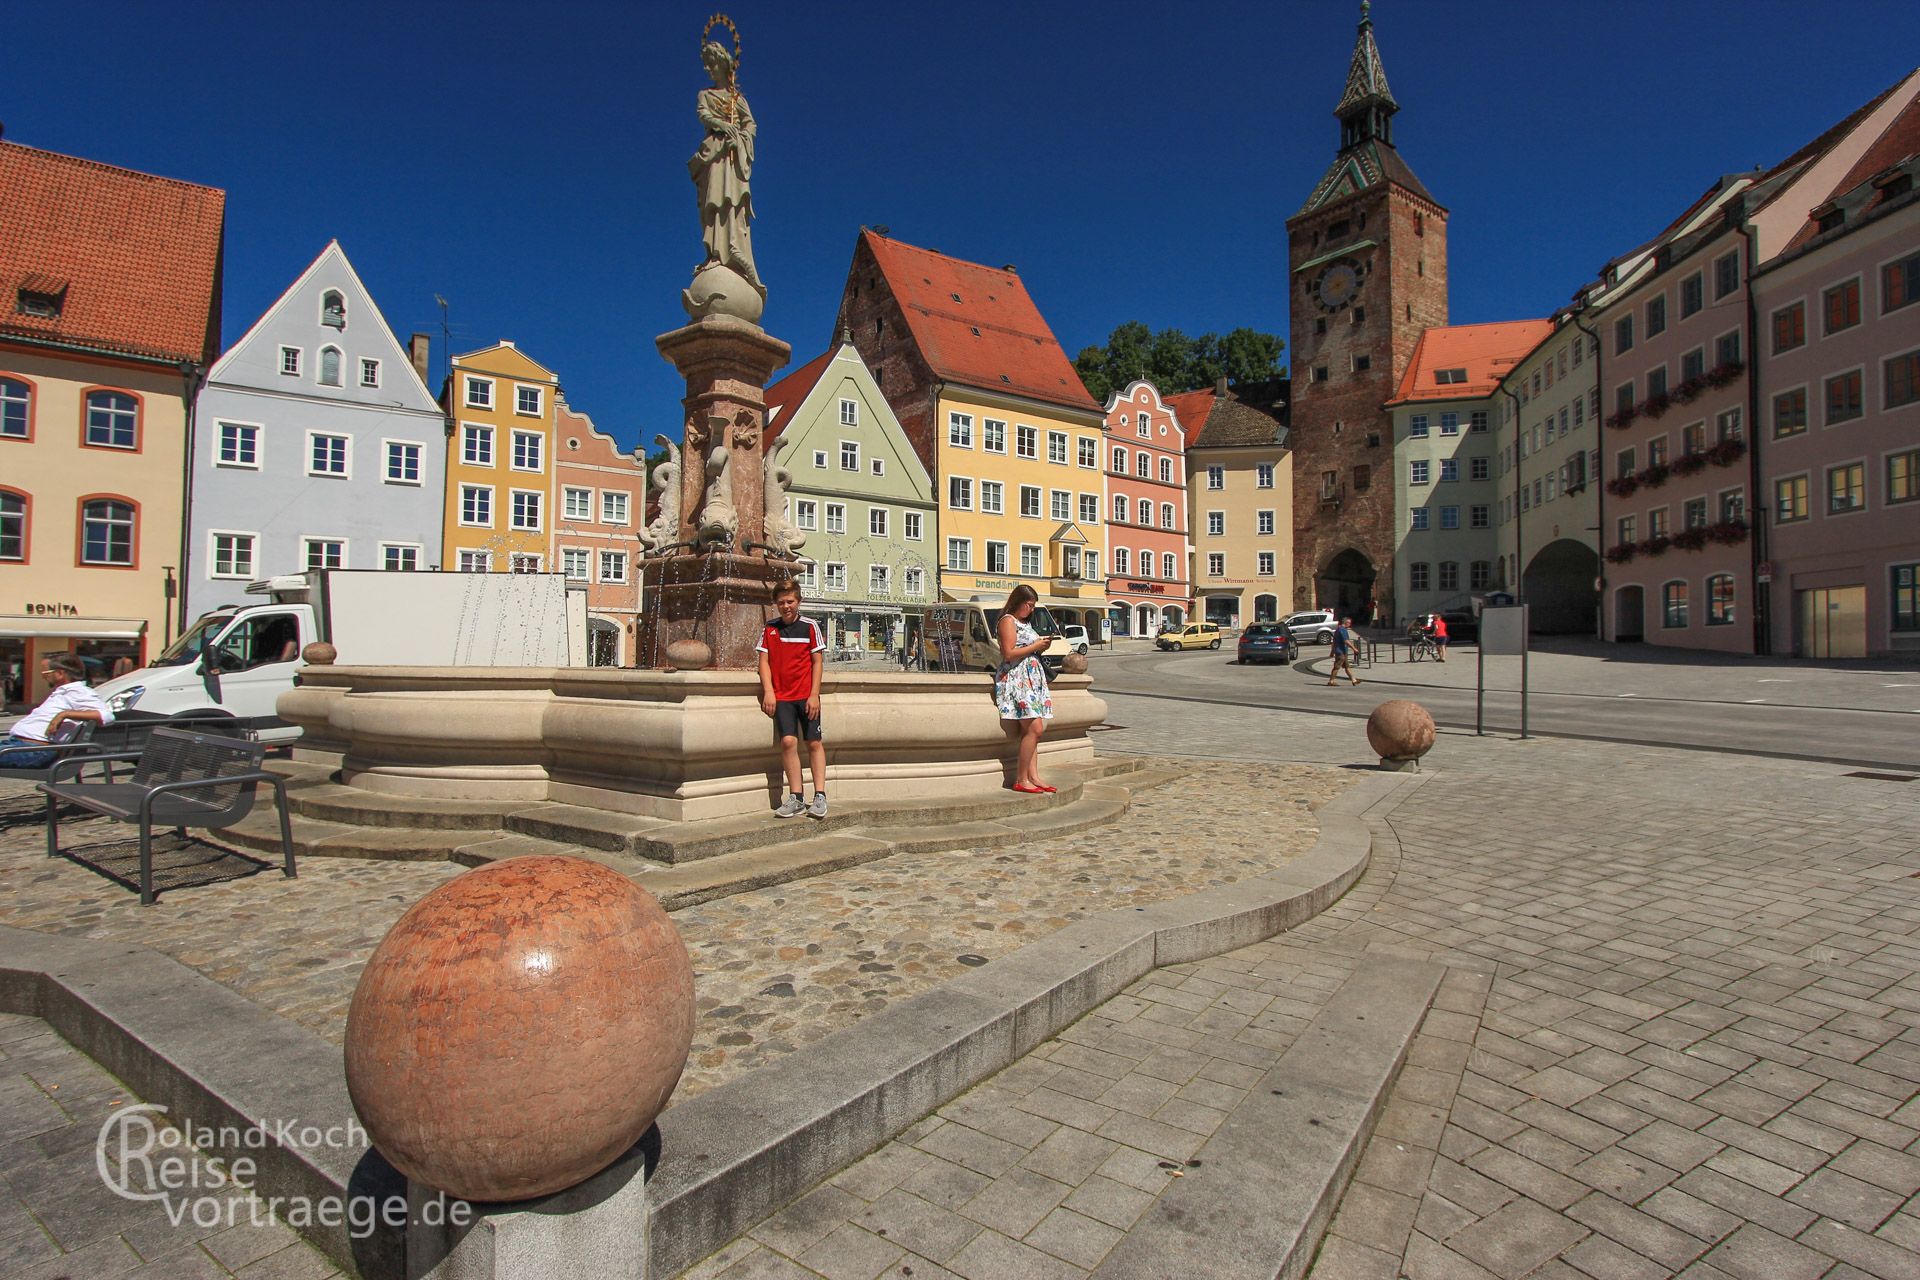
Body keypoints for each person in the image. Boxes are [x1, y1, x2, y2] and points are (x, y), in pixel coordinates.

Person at [757, 580, 828, 818]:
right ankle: (796, 797)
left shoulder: (810, 626)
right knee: (788, 742)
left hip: (806, 696)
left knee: (814, 743)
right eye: (781, 602)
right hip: (783, 697)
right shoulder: (770, 628)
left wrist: (814, 695)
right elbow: (764, 662)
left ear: (798, 602)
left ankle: (819, 796)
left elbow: (817, 662)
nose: (786, 606)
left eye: (790, 601)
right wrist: (768, 691)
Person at [1, 653, 111, 768]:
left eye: (46, 673)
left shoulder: (78, 691)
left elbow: (107, 716)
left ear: (60, 673)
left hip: (35, 751)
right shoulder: (63, 692)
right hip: (19, 746)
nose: (43, 677)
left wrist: (64, 714)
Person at [995, 585, 1056, 793]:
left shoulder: (1023, 623)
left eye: (1033, 606)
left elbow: (1025, 648)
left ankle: (1034, 776)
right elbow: (1009, 653)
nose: (1031, 610)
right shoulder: (1007, 621)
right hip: (1017, 678)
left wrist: (1041, 646)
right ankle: (1021, 779)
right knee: (1035, 728)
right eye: (1029, 605)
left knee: (1032, 730)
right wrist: (1036, 646)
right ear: (1018, 602)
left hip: (1030, 678)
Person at [1327, 617, 1362, 687]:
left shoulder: (1338, 630)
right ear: (1346, 623)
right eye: (1349, 623)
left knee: (1347, 666)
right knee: (1336, 667)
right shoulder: (1342, 630)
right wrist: (1354, 649)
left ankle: (1353, 680)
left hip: (1342, 651)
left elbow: (1334, 642)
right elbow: (1346, 641)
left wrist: (1332, 652)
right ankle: (1331, 681)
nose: (1350, 624)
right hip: (1341, 652)